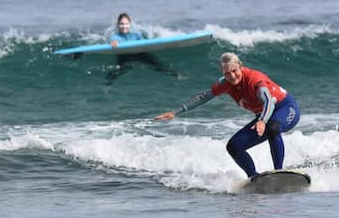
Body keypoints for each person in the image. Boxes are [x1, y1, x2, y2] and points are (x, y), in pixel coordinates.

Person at [155, 52, 300, 179]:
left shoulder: (255, 80)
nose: (232, 76)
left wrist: (262, 121)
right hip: (264, 116)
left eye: (234, 71)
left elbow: (269, 101)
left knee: (273, 128)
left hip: (285, 108)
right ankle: (254, 178)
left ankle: (279, 173)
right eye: (227, 73)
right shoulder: (225, 84)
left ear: (240, 66)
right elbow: (203, 97)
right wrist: (175, 112)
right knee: (234, 146)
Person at [106, 12, 177, 85]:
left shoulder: (136, 34)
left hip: (139, 53)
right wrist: (112, 43)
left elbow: (143, 43)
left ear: (129, 24)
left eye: (126, 24)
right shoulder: (115, 36)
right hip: (124, 55)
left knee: (156, 64)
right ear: (118, 25)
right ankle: (107, 85)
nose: (124, 26)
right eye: (121, 24)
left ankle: (176, 75)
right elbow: (112, 41)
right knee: (117, 71)